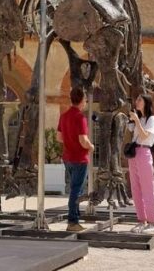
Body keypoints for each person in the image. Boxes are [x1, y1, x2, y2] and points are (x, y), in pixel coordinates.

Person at [57, 87, 94, 232]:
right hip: (80, 158)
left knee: (74, 187)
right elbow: (83, 140)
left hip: (68, 157)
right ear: (83, 100)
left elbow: (58, 137)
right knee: (76, 189)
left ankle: (76, 217)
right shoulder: (80, 117)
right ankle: (72, 222)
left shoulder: (64, 116)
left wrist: (69, 141)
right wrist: (91, 146)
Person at [126, 94, 154, 233]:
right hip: (134, 154)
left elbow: (146, 136)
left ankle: (152, 223)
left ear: (146, 102)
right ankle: (141, 220)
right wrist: (133, 120)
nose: (137, 101)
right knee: (135, 189)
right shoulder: (139, 118)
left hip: (145, 152)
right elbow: (131, 131)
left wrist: (137, 122)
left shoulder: (152, 119)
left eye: (139, 100)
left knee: (147, 188)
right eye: (137, 99)